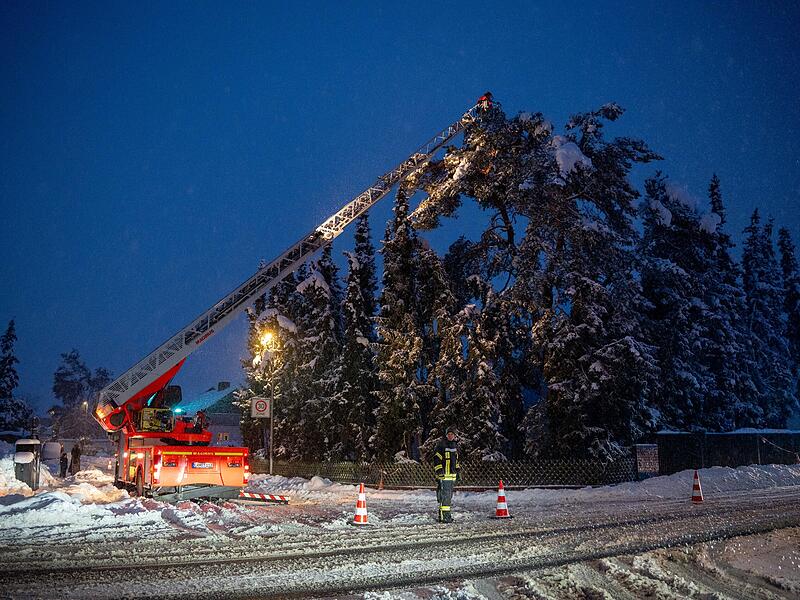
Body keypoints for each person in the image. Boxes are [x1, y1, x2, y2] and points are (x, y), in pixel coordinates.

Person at [432, 425, 460, 523]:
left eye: (452, 434)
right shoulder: (441, 445)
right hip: (444, 475)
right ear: (446, 435)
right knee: (445, 497)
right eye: (449, 434)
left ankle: (443, 515)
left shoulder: (454, 445)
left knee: (446, 496)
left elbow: (455, 461)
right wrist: (439, 471)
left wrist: (458, 472)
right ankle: (445, 517)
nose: (450, 436)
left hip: (451, 476)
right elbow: (436, 459)